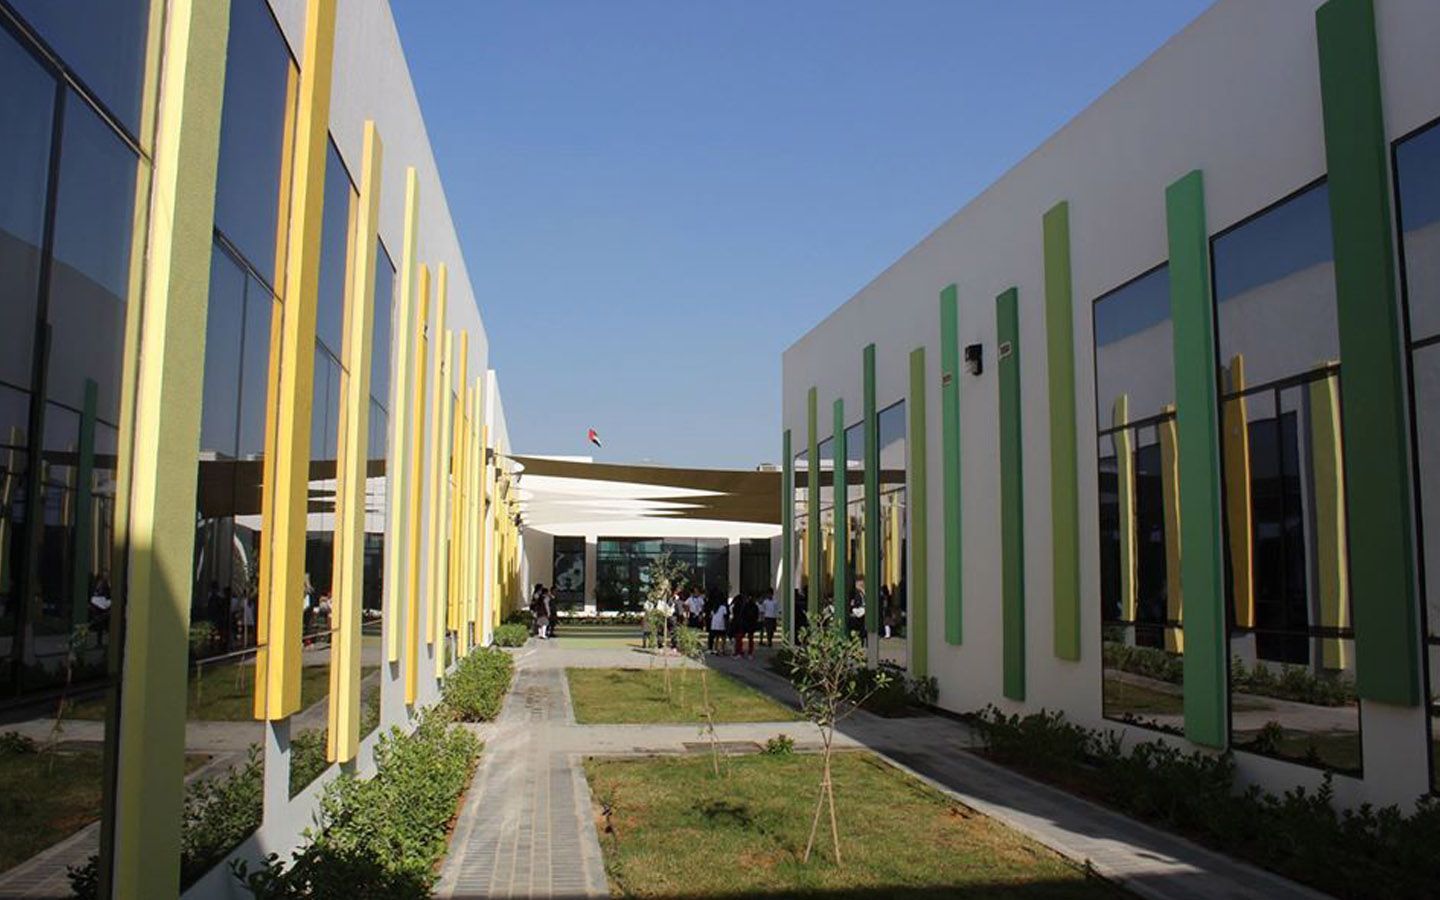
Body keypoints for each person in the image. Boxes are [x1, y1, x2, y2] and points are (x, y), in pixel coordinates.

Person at [737, 593, 759, 659]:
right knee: (747, 638)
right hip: (748, 624)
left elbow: (742, 614)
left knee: (746, 638)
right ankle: (747, 653)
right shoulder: (751, 606)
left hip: (748, 624)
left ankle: (745, 653)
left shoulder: (749, 606)